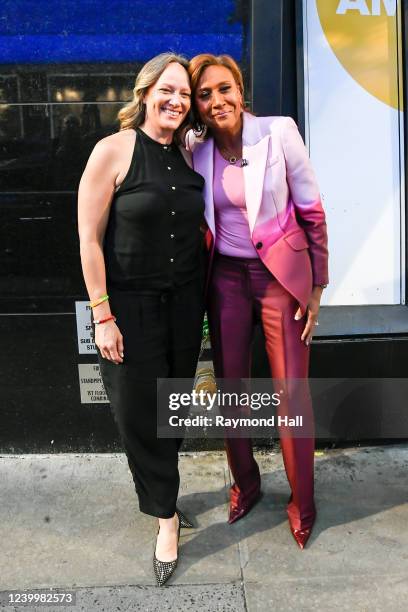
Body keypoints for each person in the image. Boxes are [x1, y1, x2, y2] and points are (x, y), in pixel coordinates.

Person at [187, 54, 329, 549]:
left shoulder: (278, 132)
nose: (215, 101)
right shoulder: (195, 148)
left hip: (280, 280)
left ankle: (302, 501)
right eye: (204, 95)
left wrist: (317, 288)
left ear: (240, 90)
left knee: (292, 394)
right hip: (224, 278)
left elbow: (312, 211)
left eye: (223, 89)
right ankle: (245, 483)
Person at [78, 53, 206, 585]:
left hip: (183, 304)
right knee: (137, 412)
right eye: (168, 90)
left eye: (185, 94)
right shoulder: (113, 150)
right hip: (129, 305)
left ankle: (162, 491)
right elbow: (88, 239)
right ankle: (166, 519)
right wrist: (102, 316)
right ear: (146, 91)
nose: (176, 101)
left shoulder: (186, 155)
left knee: (172, 408)